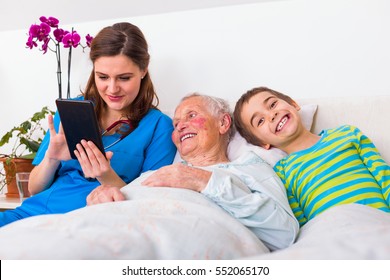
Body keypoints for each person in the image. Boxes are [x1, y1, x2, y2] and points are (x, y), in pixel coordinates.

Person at [0, 22, 177, 227]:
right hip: (30, 215)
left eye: (124, 78)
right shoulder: (71, 111)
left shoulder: (159, 127)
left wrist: (105, 175)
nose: (112, 88)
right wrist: (51, 158)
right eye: (102, 77)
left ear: (144, 70)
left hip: (84, 224)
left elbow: (150, 204)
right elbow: (34, 189)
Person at [87, 93, 299, 251]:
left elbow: (284, 234)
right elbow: (118, 208)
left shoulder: (249, 168)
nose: (180, 127)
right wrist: (102, 196)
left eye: (192, 116)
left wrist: (204, 180)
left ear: (223, 123)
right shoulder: (156, 174)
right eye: (176, 123)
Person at [233, 86, 390, 226]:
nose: (271, 115)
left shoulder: (347, 134)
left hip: (378, 223)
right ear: (262, 144)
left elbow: (383, 174)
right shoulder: (282, 173)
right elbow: (301, 223)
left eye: (272, 104)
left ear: (293, 104)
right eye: (260, 121)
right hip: (334, 237)